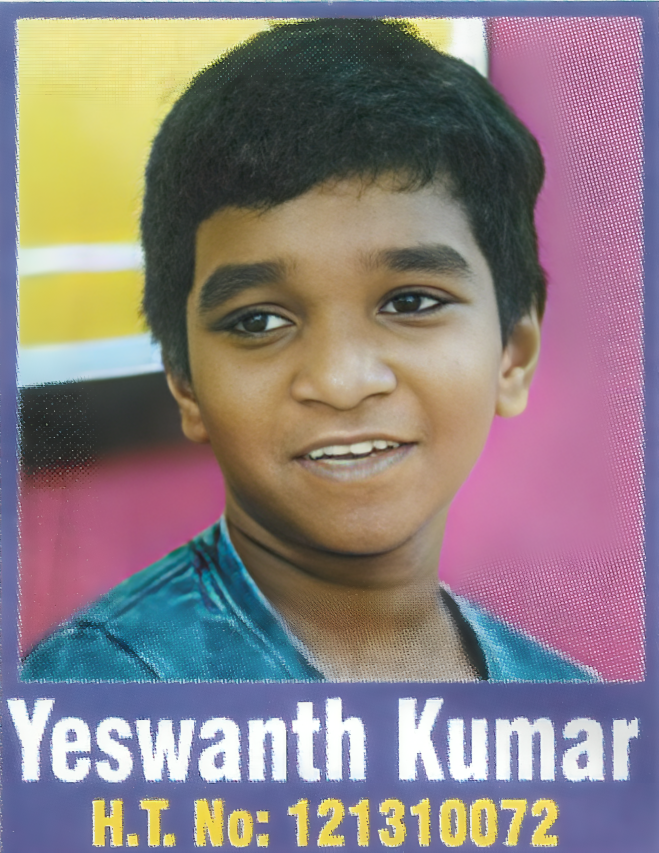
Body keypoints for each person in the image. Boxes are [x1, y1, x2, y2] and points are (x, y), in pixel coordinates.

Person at [22, 18, 598, 682]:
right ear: (185, 382)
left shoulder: (563, 702)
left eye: (410, 302)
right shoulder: (103, 688)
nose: (341, 380)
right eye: (259, 321)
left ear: (512, 355)